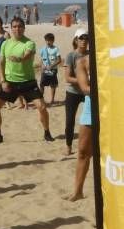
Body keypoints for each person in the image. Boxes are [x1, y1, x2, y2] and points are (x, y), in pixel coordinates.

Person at [0, 17, 51, 143]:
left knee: (42, 108)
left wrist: (20, 59)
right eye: (15, 26)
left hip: (28, 81)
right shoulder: (5, 43)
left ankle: (47, 132)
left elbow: (28, 55)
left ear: (24, 28)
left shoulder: (29, 43)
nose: (17, 29)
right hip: (10, 82)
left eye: (20, 26)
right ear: (11, 28)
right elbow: (1, 63)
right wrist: (3, 81)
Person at [67, 37, 96, 201]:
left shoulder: (113, 59)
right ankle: (78, 191)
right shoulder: (83, 61)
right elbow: (85, 88)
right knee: (83, 152)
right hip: (91, 107)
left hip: (112, 108)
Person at [62, 29, 89, 155]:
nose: (84, 41)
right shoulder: (71, 56)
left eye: (86, 38)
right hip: (73, 92)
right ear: (76, 40)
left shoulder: (90, 55)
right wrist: (83, 81)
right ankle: (68, 145)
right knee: (70, 120)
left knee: (93, 118)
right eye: (81, 38)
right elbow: (67, 77)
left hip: (88, 92)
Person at [39, 32, 62, 104]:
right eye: (46, 40)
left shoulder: (56, 49)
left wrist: (51, 66)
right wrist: (42, 66)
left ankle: (52, 100)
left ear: (53, 40)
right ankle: (41, 99)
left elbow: (59, 60)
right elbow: (42, 59)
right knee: (42, 84)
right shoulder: (43, 49)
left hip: (53, 70)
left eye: (49, 40)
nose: (48, 42)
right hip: (45, 70)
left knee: (53, 85)